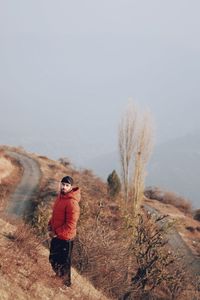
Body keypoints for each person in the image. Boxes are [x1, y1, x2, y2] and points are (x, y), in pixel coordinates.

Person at [48, 175, 81, 287]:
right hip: (57, 235)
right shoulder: (60, 197)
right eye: (63, 184)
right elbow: (55, 215)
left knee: (64, 263)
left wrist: (56, 232)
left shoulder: (72, 203)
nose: (64, 187)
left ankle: (66, 285)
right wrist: (50, 224)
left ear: (71, 187)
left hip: (66, 238)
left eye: (67, 185)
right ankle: (58, 277)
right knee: (53, 258)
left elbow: (71, 224)